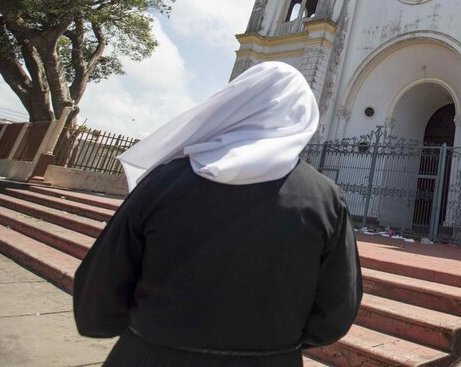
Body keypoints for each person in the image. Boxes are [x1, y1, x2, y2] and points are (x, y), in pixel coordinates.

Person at [73, 62, 362, 367]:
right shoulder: (326, 199)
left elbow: (101, 284)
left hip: (149, 355)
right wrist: (278, 345)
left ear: (235, 103)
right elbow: (336, 308)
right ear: (303, 116)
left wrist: (141, 332)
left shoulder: (164, 181)